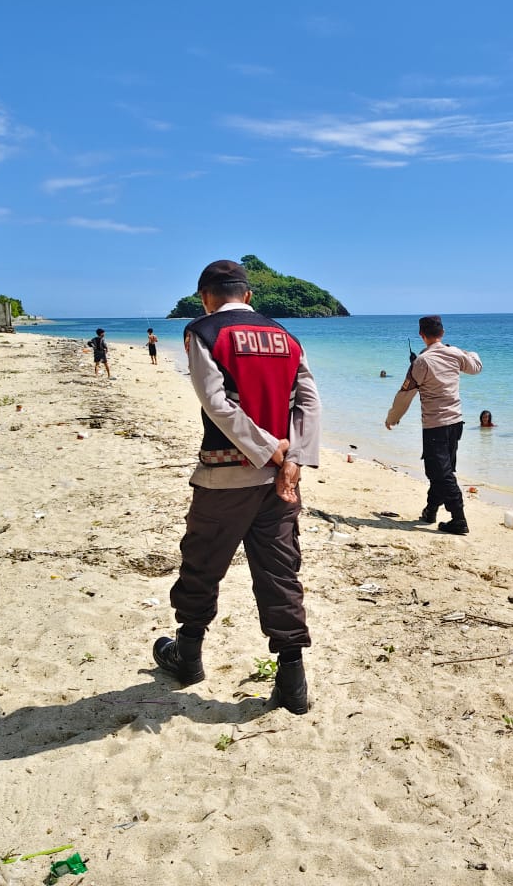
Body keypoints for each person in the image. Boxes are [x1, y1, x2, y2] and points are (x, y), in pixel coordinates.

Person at [152, 260, 321, 715]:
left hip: (225, 477)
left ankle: (187, 656)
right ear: (248, 296)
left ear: (204, 296)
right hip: (280, 482)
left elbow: (216, 403)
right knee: (281, 571)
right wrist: (295, 459)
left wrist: (269, 451)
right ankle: (292, 682)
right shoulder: (287, 337)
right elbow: (308, 401)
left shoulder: (203, 332)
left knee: (203, 563)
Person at [385, 315, 483, 535]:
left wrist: (393, 417)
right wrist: (461, 351)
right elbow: (477, 366)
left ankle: (459, 519)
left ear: (422, 335)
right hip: (456, 423)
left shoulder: (421, 362)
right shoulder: (455, 354)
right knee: (439, 471)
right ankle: (430, 511)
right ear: (443, 333)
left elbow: (405, 394)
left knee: (442, 473)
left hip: (435, 425)